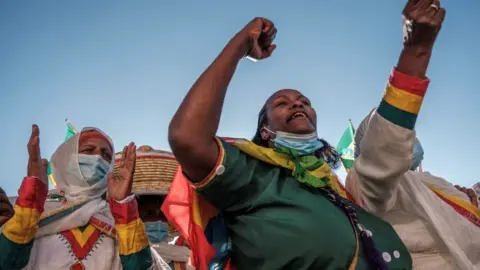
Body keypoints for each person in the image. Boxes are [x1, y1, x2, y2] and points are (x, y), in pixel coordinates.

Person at [167, 0, 444, 268]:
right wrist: (240, 44)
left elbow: (387, 139)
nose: (298, 104)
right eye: (282, 103)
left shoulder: (337, 190)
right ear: (266, 131)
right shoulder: (251, 173)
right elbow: (187, 138)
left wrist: (416, 48)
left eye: (304, 101)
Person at [0, 125, 157, 270]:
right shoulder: (33, 215)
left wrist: (124, 206)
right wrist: (32, 196)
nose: (97, 158)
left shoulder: (122, 222)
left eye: (106, 155)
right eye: (88, 150)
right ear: (67, 159)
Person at [347, 109, 480, 269]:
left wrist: (467, 201)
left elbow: (462, 214)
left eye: (412, 139)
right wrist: (400, 102)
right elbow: (381, 137)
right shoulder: (370, 180)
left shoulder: (425, 180)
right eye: (404, 140)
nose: (411, 144)